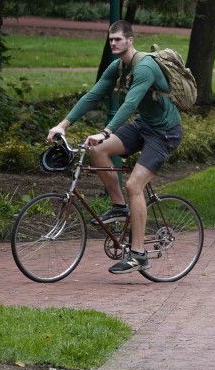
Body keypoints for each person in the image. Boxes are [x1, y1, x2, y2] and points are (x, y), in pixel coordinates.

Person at [46, 20, 182, 275]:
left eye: (118, 39)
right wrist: (62, 125)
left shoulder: (145, 68)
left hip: (164, 133)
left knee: (133, 185)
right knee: (98, 150)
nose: (113, 44)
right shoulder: (118, 66)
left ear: (130, 40)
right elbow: (93, 95)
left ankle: (139, 254)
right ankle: (120, 207)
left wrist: (106, 131)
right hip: (144, 126)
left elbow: (129, 104)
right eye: (110, 40)